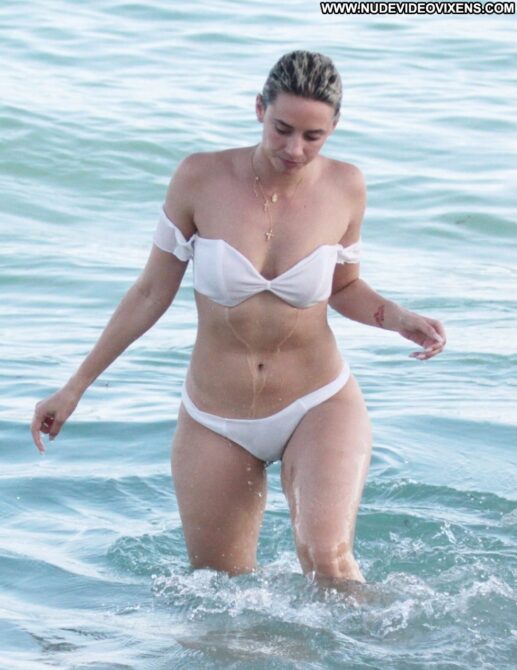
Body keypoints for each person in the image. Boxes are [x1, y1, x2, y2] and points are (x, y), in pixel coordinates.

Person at [31, 50, 446, 587]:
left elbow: (343, 287)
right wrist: (74, 387)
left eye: (313, 136)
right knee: (221, 592)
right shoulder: (200, 178)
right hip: (215, 416)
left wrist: (397, 317)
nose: (295, 149)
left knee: (329, 562)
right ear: (258, 110)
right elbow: (151, 292)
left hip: (317, 401)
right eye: (282, 129)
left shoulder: (346, 187)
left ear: (334, 128)